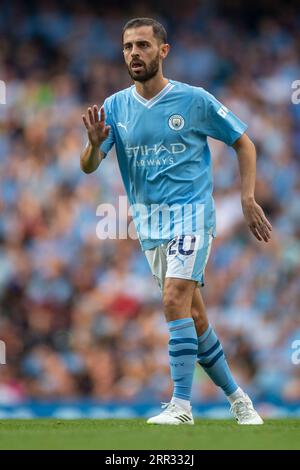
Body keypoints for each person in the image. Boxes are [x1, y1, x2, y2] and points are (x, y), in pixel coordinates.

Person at [80, 17, 272, 425]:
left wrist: (247, 197)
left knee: (172, 301)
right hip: (149, 227)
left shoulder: (194, 100)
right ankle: (240, 401)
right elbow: (89, 166)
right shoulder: (114, 106)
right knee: (195, 317)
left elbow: (244, 142)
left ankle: (181, 406)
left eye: (143, 46)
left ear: (162, 51)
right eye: (129, 46)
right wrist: (94, 146)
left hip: (190, 216)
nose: (135, 53)